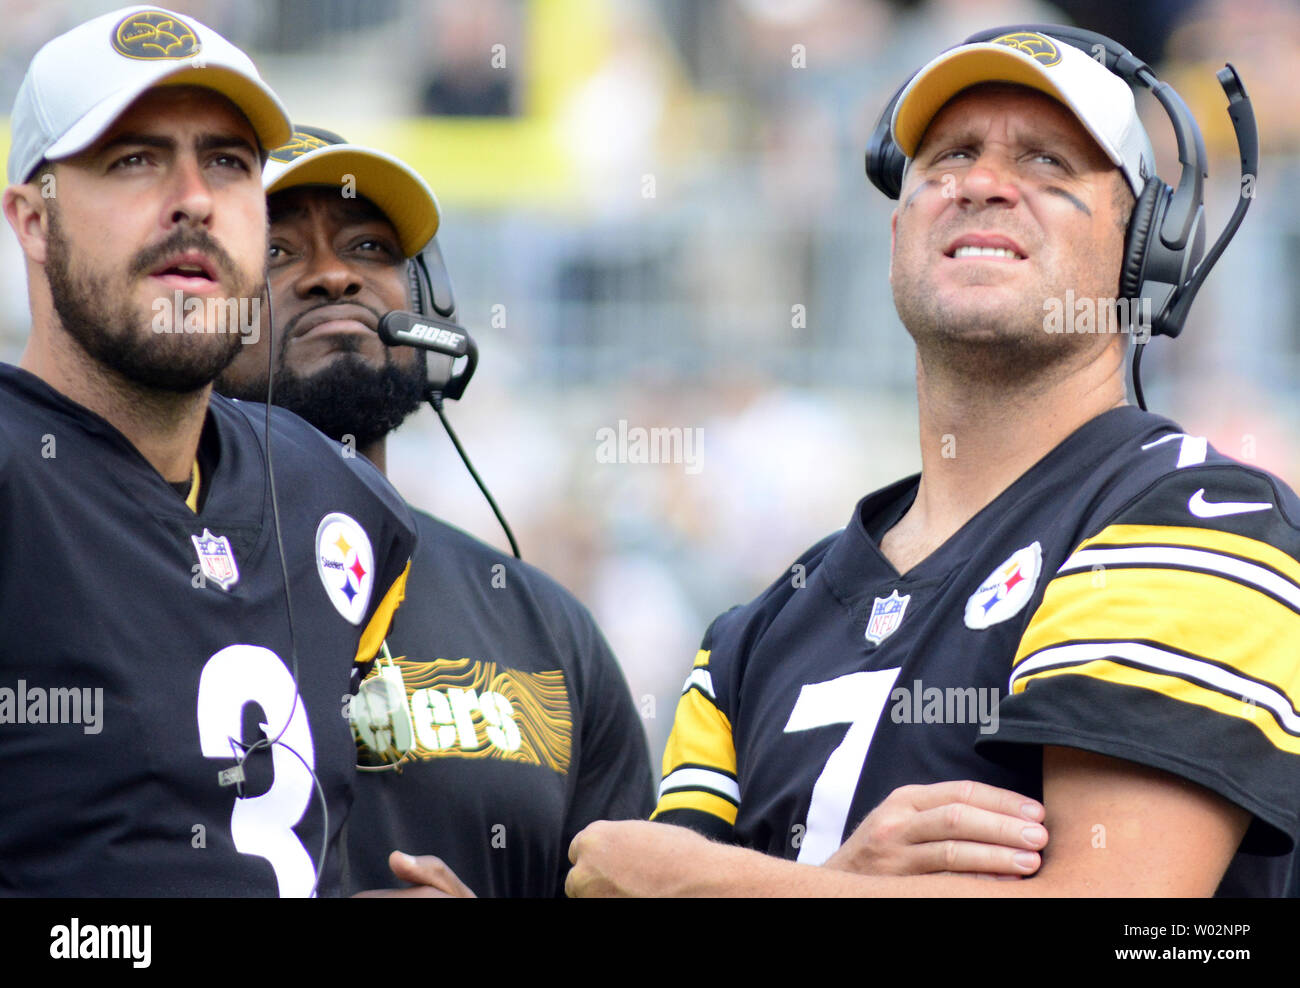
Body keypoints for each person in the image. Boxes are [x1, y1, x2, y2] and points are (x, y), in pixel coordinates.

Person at [566, 27, 1300, 896]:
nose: (984, 184)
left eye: (1049, 163)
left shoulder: (1204, 516)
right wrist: (842, 879)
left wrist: (713, 882)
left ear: (1146, 252)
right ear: (894, 235)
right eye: (949, 157)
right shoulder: (749, 636)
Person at [0, 7, 416, 896]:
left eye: (227, 162)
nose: (192, 196)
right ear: (33, 220)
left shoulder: (326, 491)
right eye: (135, 159)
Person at [214, 127, 657, 897]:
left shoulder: (543, 625)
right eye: (277, 253)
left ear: (430, 300)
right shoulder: (133, 583)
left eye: (369, 248)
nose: (332, 277)